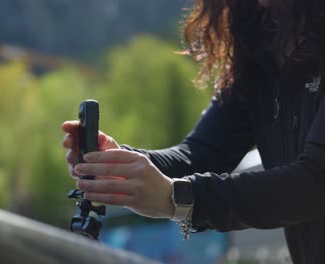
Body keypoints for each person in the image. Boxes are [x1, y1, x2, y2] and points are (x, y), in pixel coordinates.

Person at [62, 0, 324, 263]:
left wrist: (178, 197)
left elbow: (314, 182)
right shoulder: (263, 47)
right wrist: (121, 163)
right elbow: (199, 154)